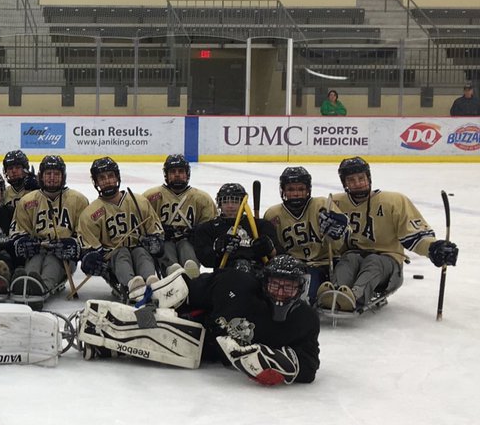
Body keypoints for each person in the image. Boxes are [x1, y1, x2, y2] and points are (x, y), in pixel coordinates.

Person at [83, 253, 320, 385]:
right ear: (264, 282)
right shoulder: (236, 284)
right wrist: (156, 303)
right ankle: (111, 332)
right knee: (167, 324)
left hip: (208, 351)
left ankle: (113, 345)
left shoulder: (305, 319)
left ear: (301, 289)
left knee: (186, 344)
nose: (280, 293)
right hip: (201, 323)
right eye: (275, 285)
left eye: (288, 287)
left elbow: (309, 365)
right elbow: (189, 290)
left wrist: (272, 361)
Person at [320, 156, 458, 312]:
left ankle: (355, 296)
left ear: (369, 178)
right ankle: (335, 292)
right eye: (351, 180)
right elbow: (327, 239)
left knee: (373, 261)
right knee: (348, 259)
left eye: (361, 178)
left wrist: (433, 248)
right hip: (354, 256)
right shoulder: (335, 203)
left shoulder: (394, 201)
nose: (357, 183)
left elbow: (415, 235)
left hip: (388, 263)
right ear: (344, 183)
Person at [77, 157, 169, 302]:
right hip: (114, 260)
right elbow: (89, 248)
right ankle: (131, 285)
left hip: (139, 249)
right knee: (122, 253)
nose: (107, 181)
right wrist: (92, 259)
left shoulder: (139, 202)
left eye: (110, 176)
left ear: (117, 177)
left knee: (141, 252)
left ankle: (151, 282)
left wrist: (155, 242)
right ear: (96, 182)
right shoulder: (90, 213)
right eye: (102, 178)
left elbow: (155, 231)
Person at [9, 156, 89, 305]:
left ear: (63, 177)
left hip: (62, 256)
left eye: (56, 174)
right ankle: (26, 282)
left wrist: (73, 244)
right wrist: (23, 242)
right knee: (34, 261)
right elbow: (18, 230)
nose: (52, 178)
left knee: (52, 262)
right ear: (40, 176)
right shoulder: (27, 201)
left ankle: (41, 289)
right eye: (48, 174)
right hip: (37, 251)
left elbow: (85, 234)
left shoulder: (78, 200)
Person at [262, 166, 335, 298]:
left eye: (301, 189)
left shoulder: (321, 205)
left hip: (319, 265)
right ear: (283, 190)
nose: (296, 194)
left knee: (305, 298)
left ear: (308, 190)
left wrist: (338, 227)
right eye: (291, 189)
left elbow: (343, 234)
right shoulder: (273, 214)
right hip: (286, 268)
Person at [142, 155, 216, 275]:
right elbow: (142, 223)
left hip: (188, 242)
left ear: (187, 174)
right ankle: (173, 272)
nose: (177, 175)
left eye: (181, 171)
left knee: (187, 252)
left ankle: (191, 275)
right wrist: (158, 232)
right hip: (164, 242)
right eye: (173, 172)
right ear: (166, 175)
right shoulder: (151, 197)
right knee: (167, 250)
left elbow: (210, 227)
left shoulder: (202, 199)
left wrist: (196, 232)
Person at [189, 183, 280, 273]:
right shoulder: (209, 228)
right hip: (225, 275)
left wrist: (270, 249)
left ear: (243, 203)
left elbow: (279, 256)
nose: (230, 206)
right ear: (219, 204)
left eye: (235, 201)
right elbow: (206, 260)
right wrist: (217, 249)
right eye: (225, 202)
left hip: (256, 274)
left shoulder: (261, 225)